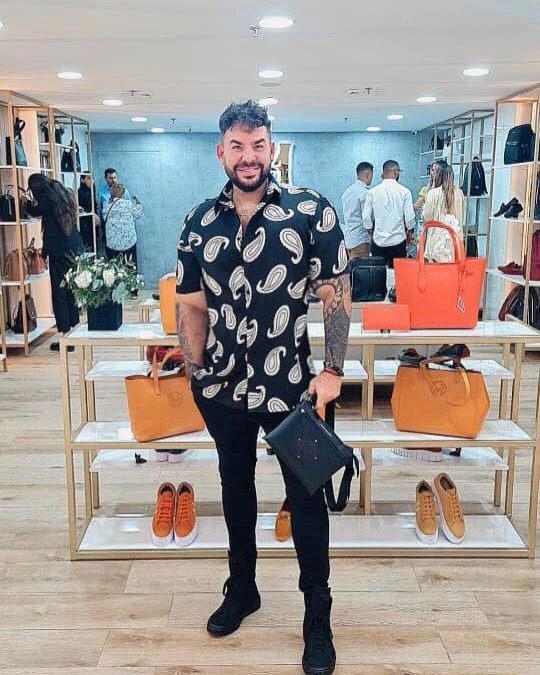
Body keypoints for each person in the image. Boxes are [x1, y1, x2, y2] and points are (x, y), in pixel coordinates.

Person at [176, 100, 350, 675]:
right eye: (237, 146)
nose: (248, 157)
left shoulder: (310, 211)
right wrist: (195, 372)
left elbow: (337, 291)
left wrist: (332, 370)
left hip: (292, 390)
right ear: (221, 152)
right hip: (222, 390)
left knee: (307, 499)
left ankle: (317, 616)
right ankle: (243, 588)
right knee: (235, 488)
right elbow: (191, 303)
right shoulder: (199, 222)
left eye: (258, 146)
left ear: (271, 149)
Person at [27, 174, 83, 351]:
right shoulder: (60, 192)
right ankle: (74, 333)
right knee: (70, 292)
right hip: (73, 249)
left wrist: (25, 203)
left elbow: (35, 212)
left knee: (59, 294)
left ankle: (66, 338)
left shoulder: (46, 199)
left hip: (59, 253)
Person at [362, 159, 415, 268]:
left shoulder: (372, 192)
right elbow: (409, 218)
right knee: (398, 275)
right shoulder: (405, 192)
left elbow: (366, 216)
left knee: (378, 274)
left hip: (378, 242)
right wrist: (409, 231)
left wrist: (371, 231)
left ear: (384, 173)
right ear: (396, 172)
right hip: (398, 242)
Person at [423, 162, 465, 262]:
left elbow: (427, 217)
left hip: (436, 241)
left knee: (436, 269)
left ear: (438, 175)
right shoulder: (459, 193)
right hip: (455, 240)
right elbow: (461, 217)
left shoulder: (433, 193)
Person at [102, 183, 142, 265]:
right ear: (123, 194)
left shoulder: (106, 206)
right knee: (130, 267)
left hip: (112, 245)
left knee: (114, 268)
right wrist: (138, 202)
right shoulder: (127, 204)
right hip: (128, 243)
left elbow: (104, 217)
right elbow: (138, 214)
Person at [340, 161, 373, 258]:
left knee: (352, 265)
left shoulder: (347, 192)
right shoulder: (365, 193)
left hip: (349, 239)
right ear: (368, 174)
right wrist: (372, 233)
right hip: (361, 240)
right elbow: (366, 218)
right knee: (361, 267)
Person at [78, 174, 98, 251]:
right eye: (89, 178)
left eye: (92, 178)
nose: (92, 181)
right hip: (85, 224)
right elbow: (81, 208)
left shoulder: (92, 191)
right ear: (82, 180)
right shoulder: (80, 193)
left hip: (93, 223)